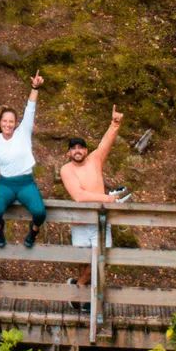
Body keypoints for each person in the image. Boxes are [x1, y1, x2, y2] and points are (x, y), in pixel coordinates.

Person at [0, 72, 48, 247]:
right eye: (4, 121)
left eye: (11, 121)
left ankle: (33, 232)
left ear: (16, 123)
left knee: (40, 213)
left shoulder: (23, 132)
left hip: (26, 182)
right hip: (6, 184)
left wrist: (34, 88)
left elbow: (30, 107)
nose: (8, 124)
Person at [57, 106, 129, 248]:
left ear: (86, 150)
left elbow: (106, 142)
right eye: (73, 148)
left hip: (100, 219)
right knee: (83, 263)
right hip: (80, 222)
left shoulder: (95, 159)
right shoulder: (66, 170)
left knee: (102, 261)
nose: (77, 151)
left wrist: (115, 124)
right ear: (68, 153)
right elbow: (79, 196)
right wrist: (108, 198)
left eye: (80, 147)